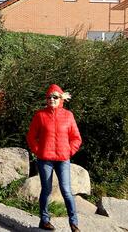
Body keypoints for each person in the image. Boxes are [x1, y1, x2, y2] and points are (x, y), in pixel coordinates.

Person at [26, 84, 82, 232]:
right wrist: (39, 151)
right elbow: (31, 137)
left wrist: (69, 151)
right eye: (49, 97)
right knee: (46, 190)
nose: (51, 99)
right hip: (45, 159)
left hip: (63, 159)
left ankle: (74, 223)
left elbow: (76, 138)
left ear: (60, 99)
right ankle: (44, 220)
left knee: (66, 191)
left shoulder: (68, 116)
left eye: (55, 97)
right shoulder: (40, 115)